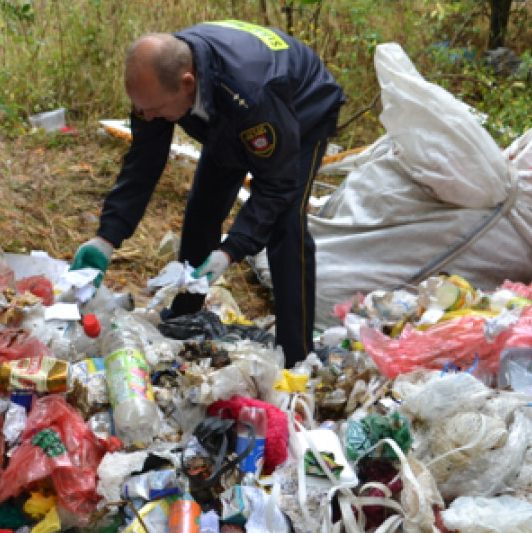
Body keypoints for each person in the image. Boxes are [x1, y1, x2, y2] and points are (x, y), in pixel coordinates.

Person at [71, 21, 346, 366]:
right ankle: (185, 315)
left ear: (187, 83)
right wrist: (106, 237)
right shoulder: (160, 85)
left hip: (300, 112)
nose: (150, 117)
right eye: (143, 110)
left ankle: (297, 354)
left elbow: (276, 186)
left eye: (155, 109)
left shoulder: (253, 93)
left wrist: (231, 250)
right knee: (203, 207)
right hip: (225, 115)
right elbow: (143, 163)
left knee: (286, 225)